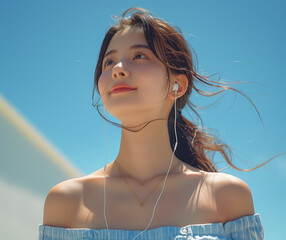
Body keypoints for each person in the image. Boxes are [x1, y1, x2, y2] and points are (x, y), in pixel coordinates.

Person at [38, 7, 265, 240]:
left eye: (139, 56)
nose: (117, 69)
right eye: (109, 62)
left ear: (177, 85)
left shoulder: (226, 197)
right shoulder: (66, 202)